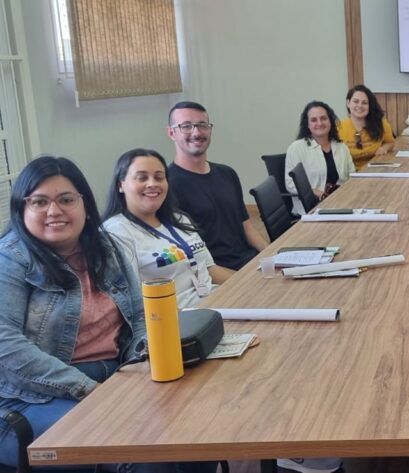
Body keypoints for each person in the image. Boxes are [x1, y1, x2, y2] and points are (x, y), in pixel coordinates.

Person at [0, 156, 217, 472]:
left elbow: (140, 315)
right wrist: (89, 390)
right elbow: (6, 346)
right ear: (22, 209)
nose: (54, 211)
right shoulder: (11, 260)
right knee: (137, 448)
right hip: (31, 398)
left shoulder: (105, 247)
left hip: (114, 374)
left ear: (85, 204)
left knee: (196, 425)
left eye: (66, 199)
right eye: (39, 202)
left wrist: (146, 361)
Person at [103, 149, 235, 309]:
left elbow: (210, 269)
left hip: (219, 303)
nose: (152, 183)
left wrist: (247, 283)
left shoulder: (178, 218)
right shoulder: (115, 233)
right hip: (180, 321)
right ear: (120, 185)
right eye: (142, 177)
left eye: (159, 177)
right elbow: (133, 303)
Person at [166, 101, 267, 271]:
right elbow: (190, 260)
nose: (196, 132)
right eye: (186, 126)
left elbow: (247, 227)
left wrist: (270, 255)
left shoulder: (227, 173)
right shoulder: (168, 185)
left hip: (250, 264)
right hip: (217, 277)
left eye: (202, 125)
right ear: (171, 133)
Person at [285, 100, 356, 214]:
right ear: (307, 125)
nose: (319, 123)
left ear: (330, 121)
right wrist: (319, 193)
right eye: (313, 120)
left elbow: (352, 176)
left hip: (341, 204)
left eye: (323, 118)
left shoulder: (341, 147)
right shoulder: (296, 148)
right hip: (312, 209)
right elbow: (291, 184)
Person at [338, 84, 395, 169]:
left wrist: (384, 148)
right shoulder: (338, 127)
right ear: (348, 103)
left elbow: (390, 142)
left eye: (364, 103)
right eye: (356, 101)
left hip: (375, 171)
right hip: (349, 175)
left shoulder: (381, 124)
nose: (360, 106)